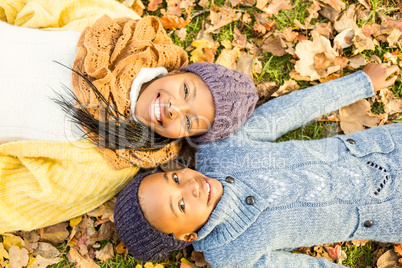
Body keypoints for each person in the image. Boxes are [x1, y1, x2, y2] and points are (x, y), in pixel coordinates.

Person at [114, 63, 402, 267]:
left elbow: (287, 113)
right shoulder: (229, 254)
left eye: (175, 179)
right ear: (187, 236)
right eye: (181, 206)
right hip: (392, 214)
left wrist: (358, 84)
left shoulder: (219, 150)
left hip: (385, 149)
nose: (191, 187)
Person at [0, 14, 258, 233]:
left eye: (189, 122)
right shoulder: (125, 33)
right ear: (180, 71)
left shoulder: (107, 164)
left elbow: (18, 199)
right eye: (186, 90)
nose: (174, 109)